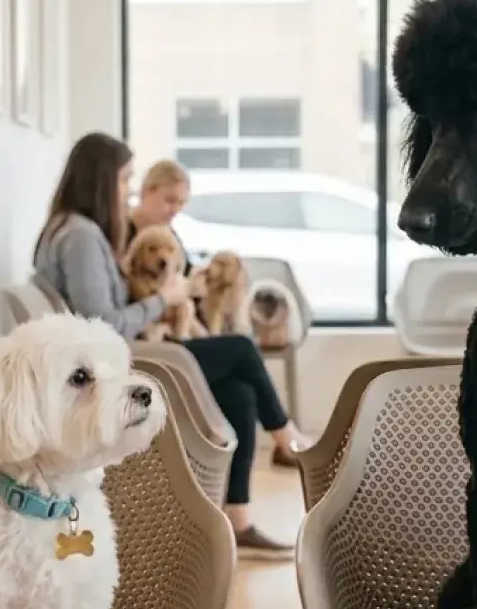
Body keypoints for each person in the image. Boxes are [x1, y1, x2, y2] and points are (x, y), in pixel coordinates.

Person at [32, 133, 307, 556]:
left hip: (136, 350)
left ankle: (239, 521)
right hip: (132, 361)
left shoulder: (71, 230)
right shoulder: (81, 237)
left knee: (240, 392)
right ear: (102, 181)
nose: (127, 190)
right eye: (124, 180)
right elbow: (104, 324)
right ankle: (288, 438)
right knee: (240, 350)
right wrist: (166, 299)